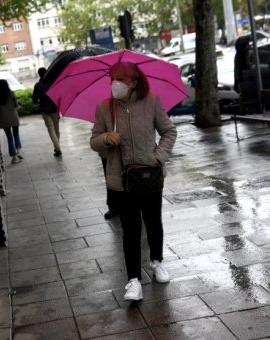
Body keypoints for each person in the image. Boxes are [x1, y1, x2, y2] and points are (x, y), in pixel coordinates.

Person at [90, 62, 177, 301]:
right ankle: (133, 280)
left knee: (153, 222)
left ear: (134, 81)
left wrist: (158, 157)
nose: (115, 83)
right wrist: (107, 138)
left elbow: (169, 131)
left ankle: (157, 262)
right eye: (112, 78)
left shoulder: (152, 102)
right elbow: (94, 140)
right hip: (122, 179)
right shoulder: (105, 108)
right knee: (130, 230)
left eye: (121, 78)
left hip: (150, 176)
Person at [32, 67, 62, 157]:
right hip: (55, 109)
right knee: (56, 129)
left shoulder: (37, 86)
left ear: (39, 74)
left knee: (51, 129)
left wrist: (39, 100)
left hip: (45, 110)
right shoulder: (53, 83)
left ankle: (57, 148)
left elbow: (34, 100)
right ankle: (57, 147)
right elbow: (59, 96)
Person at [0, 79, 23, 164]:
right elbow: (16, 105)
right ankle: (19, 151)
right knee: (16, 134)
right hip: (13, 117)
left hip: (4, 118)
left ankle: (14, 157)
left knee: (9, 137)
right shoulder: (11, 93)